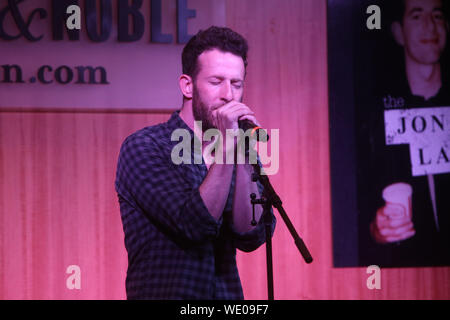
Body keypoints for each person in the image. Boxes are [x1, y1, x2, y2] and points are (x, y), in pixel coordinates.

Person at [115, 26, 276, 299]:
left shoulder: (238, 147)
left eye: (236, 84)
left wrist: (237, 149)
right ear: (187, 86)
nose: (228, 94)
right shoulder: (146, 146)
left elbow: (250, 234)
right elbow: (194, 224)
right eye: (216, 82)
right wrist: (227, 146)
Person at [362, 0, 450, 266]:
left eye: (437, 15)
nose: (429, 25)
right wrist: (377, 230)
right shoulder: (374, 116)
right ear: (398, 32)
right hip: (407, 269)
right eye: (416, 15)